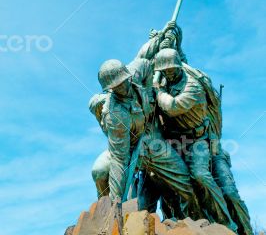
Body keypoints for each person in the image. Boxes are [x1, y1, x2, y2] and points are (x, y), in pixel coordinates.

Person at [90, 55, 200, 219]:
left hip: (153, 142)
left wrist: (150, 90)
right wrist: (116, 204)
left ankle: (196, 218)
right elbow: (119, 160)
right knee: (99, 171)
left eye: (123, 81)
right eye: (117, 86)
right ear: (110, 89)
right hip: (130, 149)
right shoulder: (114, 113)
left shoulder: (137, 70)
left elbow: (148, 64)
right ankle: (106, 212)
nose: (122, 87)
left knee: (183, 178)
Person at [154, 48, 237, 231]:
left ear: (178, 67)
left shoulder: (192, 86)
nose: (168, 73)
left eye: (171, 69)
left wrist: (158, 91)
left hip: (197, 141)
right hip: (174, 140)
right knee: (169, 181)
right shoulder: (164, 81)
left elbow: (173, 107)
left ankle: (225, 223)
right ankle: (185, 220)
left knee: (201, 175)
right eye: (165, 70)